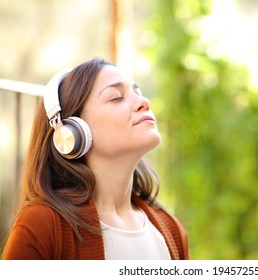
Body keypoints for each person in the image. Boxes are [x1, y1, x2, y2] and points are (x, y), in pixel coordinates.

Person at [1, 57, 190, 260]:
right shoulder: (43, 225)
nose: (144, 102)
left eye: (138, 92)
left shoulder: (172, 231)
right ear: (71, 133)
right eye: (117, 97)